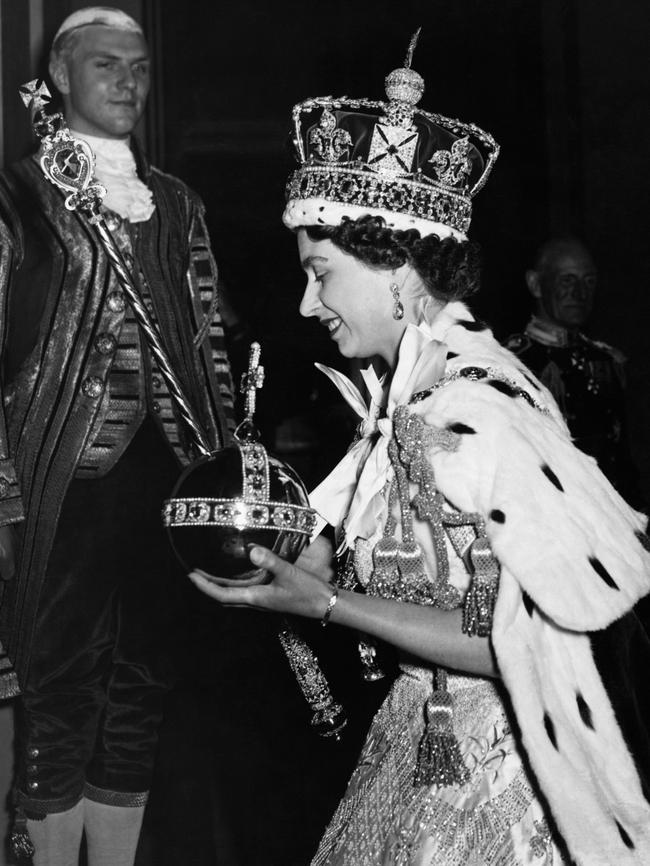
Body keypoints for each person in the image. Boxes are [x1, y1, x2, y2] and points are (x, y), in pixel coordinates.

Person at [189, 45, 650, 866]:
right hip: (414, 744)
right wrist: (308, 562)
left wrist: (323, 607)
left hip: (501, 786)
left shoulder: (475, 406)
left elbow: (514, 641)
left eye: (321, 274)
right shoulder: (407, 395)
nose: (307, 302)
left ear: (397, 269)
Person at [0, 8, 234, 865]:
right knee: (57, 692)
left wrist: (229, 467)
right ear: (61, 76)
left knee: (144, 686)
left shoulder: (176, 202)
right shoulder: (15, 195)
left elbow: (209, 338)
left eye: (139, 67)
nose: (130, 82)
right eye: (108, 66)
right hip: (63, 478)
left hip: (171, 478)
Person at [506, 238, 643, 505]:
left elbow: (627, 459)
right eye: (567, 280)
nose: (580, 293)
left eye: (589, 281)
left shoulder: (607, 361)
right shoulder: (513, 363)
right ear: (535, 284)